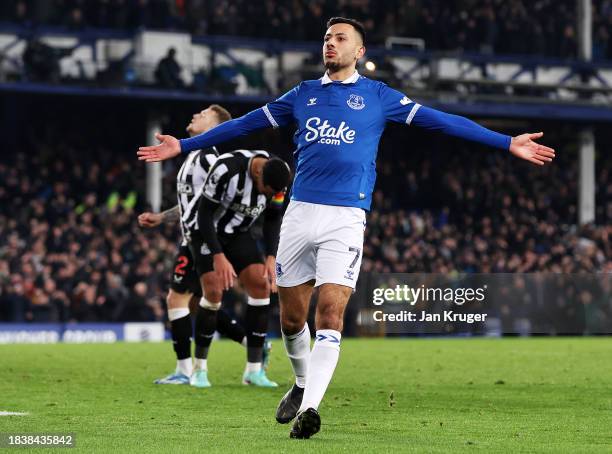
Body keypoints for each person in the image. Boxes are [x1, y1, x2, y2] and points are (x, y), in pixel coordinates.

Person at [137, 17, 556, 438]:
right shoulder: (301, 95)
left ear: (360, 52)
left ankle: (311, 409)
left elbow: (442, 121)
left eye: (340, 38)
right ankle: (301, 386)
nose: (330, 44)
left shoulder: (379, 96)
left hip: (346, 218)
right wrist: (185, 145)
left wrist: (506, 142)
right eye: (326, 38)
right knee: (290, 319)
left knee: (331, 313)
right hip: (300, 214)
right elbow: (245, 123)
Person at [138, 105, 263, 387]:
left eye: (204, 114)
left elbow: (217, 203)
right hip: (195, 237)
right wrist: (162, 217)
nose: (196, 115)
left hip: (202, 239)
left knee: (177, 299)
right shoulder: (194, 154)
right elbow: (192, 203)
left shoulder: (209, 158)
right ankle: (251, 344)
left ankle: (184, 369)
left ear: (215, 127)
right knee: (195, 303)